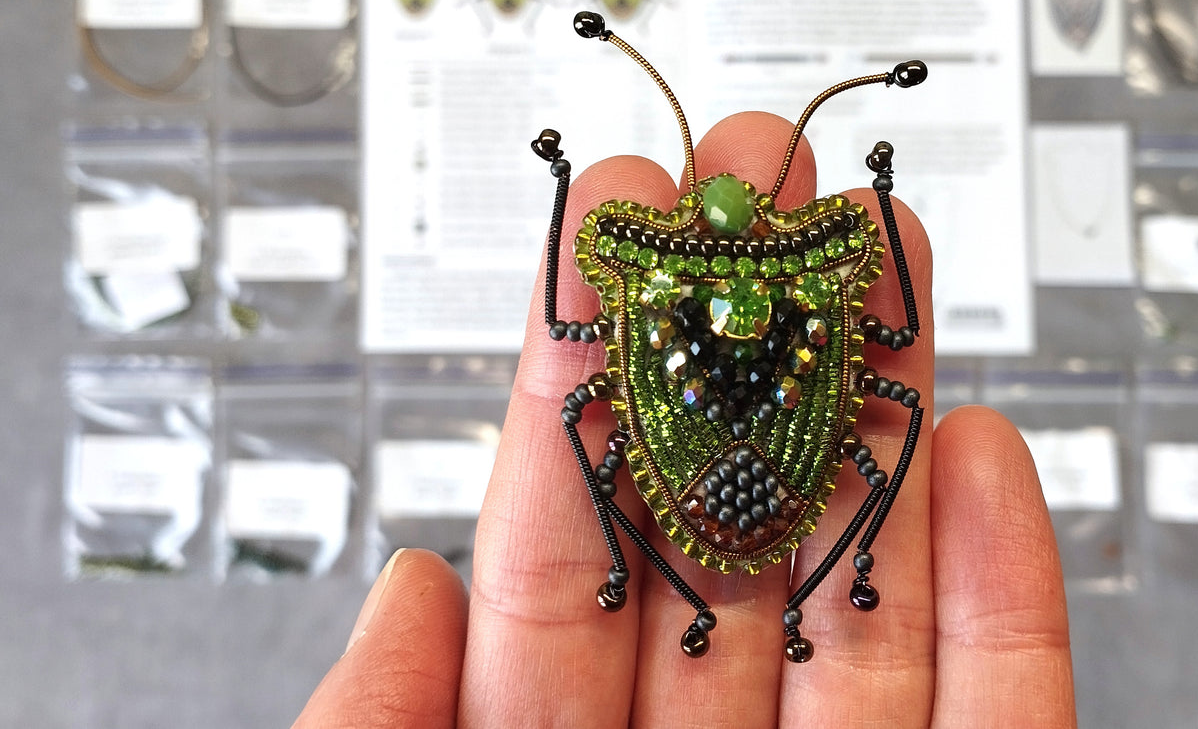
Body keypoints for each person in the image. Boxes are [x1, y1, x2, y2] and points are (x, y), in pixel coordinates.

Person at [293, 112, 1077, 727]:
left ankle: (692, 592)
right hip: (775, 470)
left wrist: (567, 185)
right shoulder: (812, 280)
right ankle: (823, 585)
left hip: (694, 471)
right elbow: (896, 338)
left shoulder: (649, 285)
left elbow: (573, 336)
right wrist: (877, 189)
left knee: (576, 411)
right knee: (892, 416)